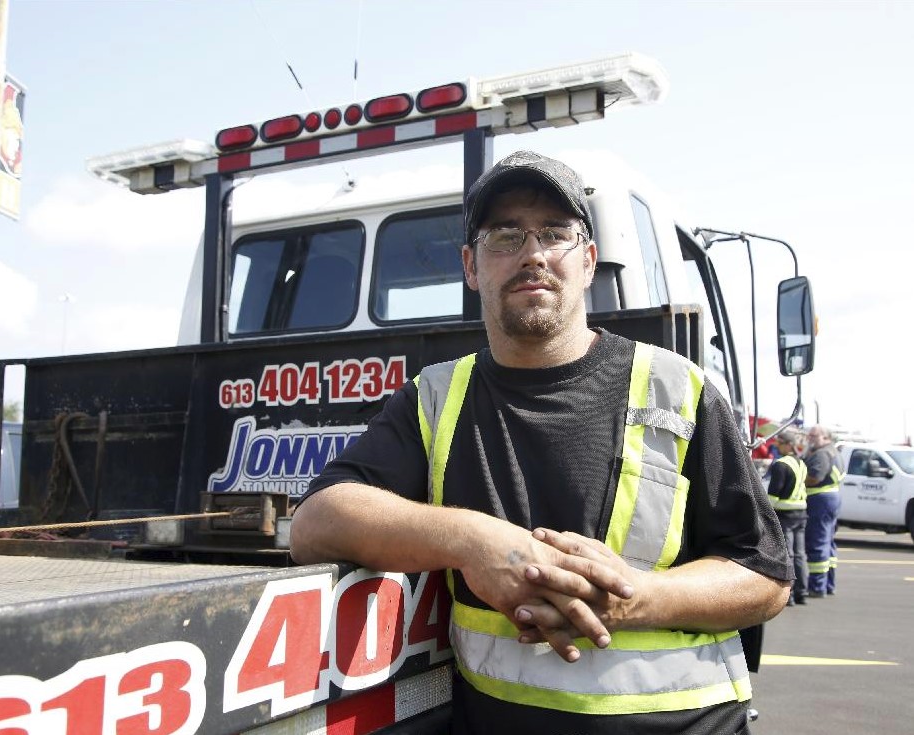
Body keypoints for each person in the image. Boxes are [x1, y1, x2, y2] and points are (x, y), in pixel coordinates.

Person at [291, 150, 792, 735]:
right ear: (471, 266)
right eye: (505, 237)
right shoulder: (435, 397)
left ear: (587, 261)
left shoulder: (680, 390)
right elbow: (315, 523)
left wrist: (638, 598)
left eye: (555, 234)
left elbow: (765, 578)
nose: (532, 254)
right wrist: (476, 540)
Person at [767, 431, 809, 605]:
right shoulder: (801, 463)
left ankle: (789, 595)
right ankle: (802, 593)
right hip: (801, 512)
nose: (776, 446)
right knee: (800, 554)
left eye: (778, 443)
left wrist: (766, 511)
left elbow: (773, 495)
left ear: (786, 444)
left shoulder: (781, 465)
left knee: (788, 555)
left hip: (785, 514)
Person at [804, 425, 843, 596]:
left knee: (818, 542)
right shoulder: (833, 451)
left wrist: (796, 479)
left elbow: (814, 478)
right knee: (828, 542)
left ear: (826, 437)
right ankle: (828, 584)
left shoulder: (821, 454)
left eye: (814, 435)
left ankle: (817, 587)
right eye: (809, 435)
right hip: (830, 498)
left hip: (819, 500)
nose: (810, 438)